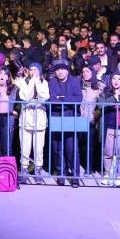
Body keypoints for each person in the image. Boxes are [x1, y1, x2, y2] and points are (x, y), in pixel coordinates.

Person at [47, 59, 81, 187]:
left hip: (71, 117)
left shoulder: (74, 81)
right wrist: (66, 101)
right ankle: (61, 173)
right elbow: (51, 99)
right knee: (58, 148)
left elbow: (78, 98)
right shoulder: (52, 82)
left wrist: (61, 99)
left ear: (67, 70)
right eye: (57, 70)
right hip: (56, 117)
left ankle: (75, 176)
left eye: (62, 69)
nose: (60, 72)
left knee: (72, 148)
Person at [16, 62, 49, 184]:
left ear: (39, 71)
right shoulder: (23, 81)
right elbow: (25, 96)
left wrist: (36, 82)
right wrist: (31, 82)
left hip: (39, 119)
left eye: (35, 69)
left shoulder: (44, 83)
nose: (33, 72)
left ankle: (38, 169)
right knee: (25, 146)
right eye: (31, 69)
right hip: (26, 118)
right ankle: (24, 168)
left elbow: (44, 96)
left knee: (39, 146)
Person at [98, 72, 120, 187]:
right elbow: (100, 105)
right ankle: (107, 174)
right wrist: (114, 99)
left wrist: (119, 101)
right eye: (114, 78)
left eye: (119, 79)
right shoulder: (106, 93)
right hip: (109, 126)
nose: (116, 81)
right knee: (108, 151)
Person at [0, 66, 19, 158]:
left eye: (4, 74)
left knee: (6, 146)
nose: (2, 76)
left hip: (8, 118)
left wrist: (16, 111)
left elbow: (19, 103)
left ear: (8, 77)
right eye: (0, 73)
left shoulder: (14, 89)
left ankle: (7, 170)